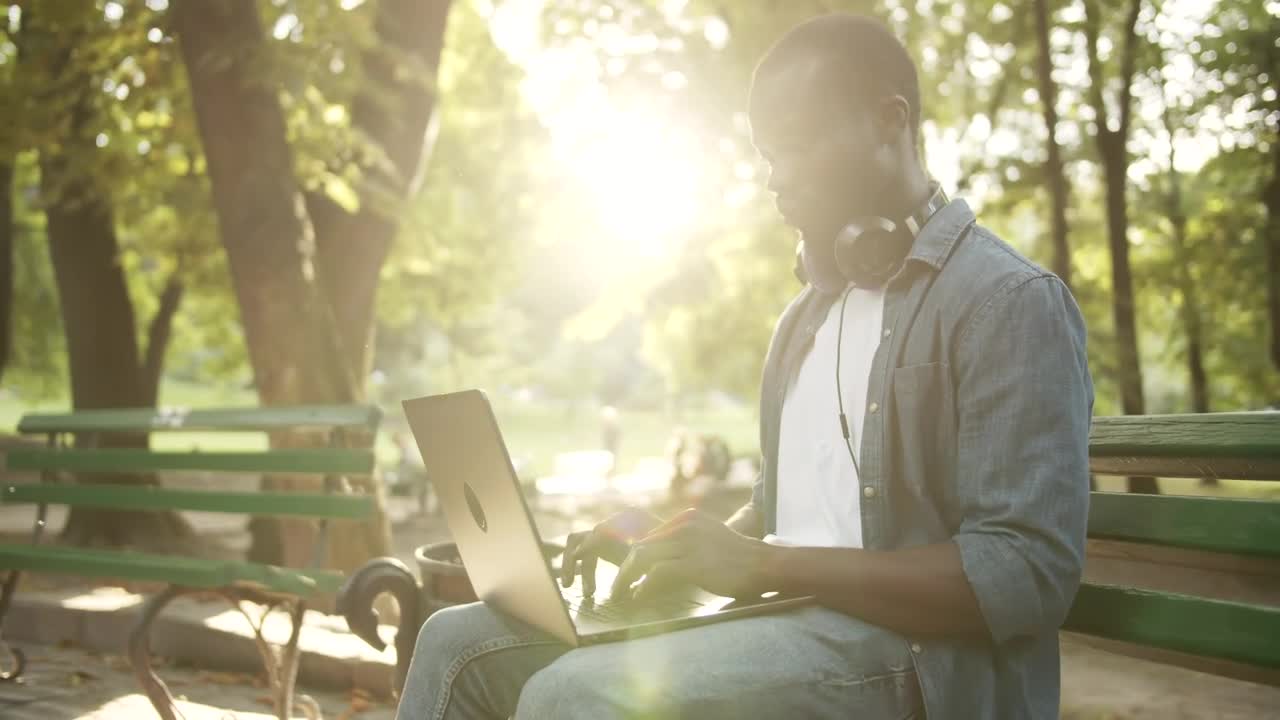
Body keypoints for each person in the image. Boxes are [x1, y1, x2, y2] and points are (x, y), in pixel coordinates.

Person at [394, 12, 1093, 720]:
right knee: (457, 640)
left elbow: (1024, 575)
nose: (774, 180)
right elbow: (783, 514)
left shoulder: (1008, 304)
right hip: (790, 622)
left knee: (575, 696)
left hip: (923, 665)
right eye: (766, 155)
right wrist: (663, 538)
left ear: (890, 122)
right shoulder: (806, 318)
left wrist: (763, 566)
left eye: (795, 147)